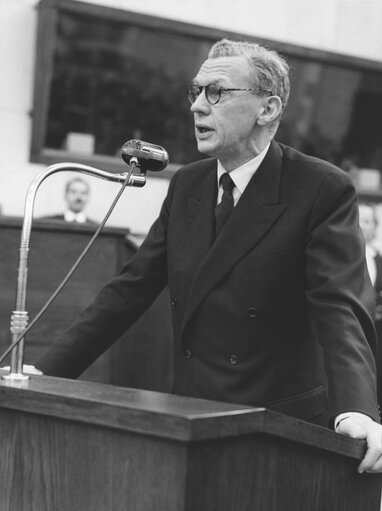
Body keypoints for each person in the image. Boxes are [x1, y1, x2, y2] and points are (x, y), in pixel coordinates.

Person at [34, 39, 382, 473]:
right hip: (194, 422)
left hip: (280, 431)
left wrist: (356, 411)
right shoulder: (187, 186)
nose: (198, 106)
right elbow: (128, 291)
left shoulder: (320, 188)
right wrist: (41, 373)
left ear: (268, 109)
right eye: (195, 92)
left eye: (215, 92)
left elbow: (340, 308)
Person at [359, 201, 382, 408]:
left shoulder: (379, 259)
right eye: (359, 220)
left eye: (368, 221)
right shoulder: (339, 255)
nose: (363, 226)